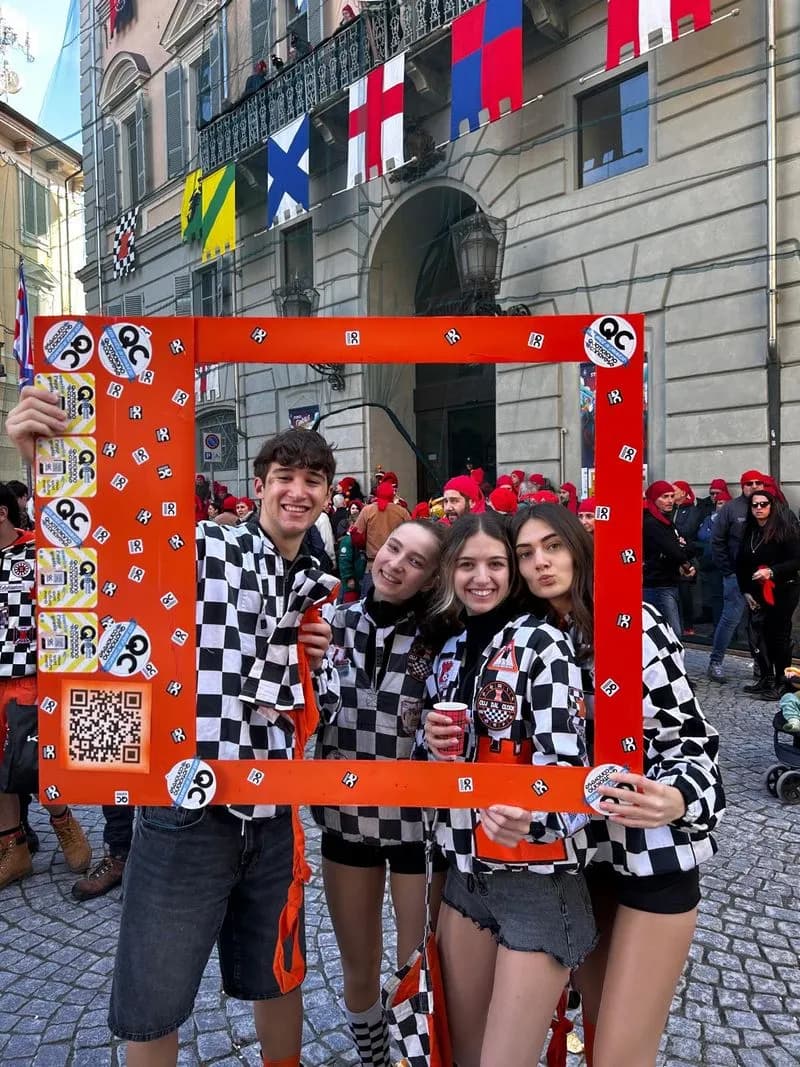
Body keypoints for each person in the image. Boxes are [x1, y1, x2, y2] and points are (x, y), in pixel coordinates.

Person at [6, 388, 340, 1067]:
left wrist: (314, 665)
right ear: (260, 485)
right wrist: (42, 459)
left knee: (278, 974)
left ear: (329, 494)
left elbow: (312, 706)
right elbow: (109, 540)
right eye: (286, 477)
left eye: (312, 480)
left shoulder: (317, 580)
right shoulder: (210, 546)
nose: (298, 491)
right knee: (151, 997)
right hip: (189, 806)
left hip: (274, 812)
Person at [513, 504, 724, 1067]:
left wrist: (678, 797)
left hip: (652, 857)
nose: (540, 563)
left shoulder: (633, 622)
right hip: (579, 859)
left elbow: (692, 738)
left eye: (552, 546)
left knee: (620, 1055)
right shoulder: (522, 639)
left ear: (578, 549)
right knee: (598, 1033)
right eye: (526, 554)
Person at [421, 512, 595, 1067]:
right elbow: (448, 769)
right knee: (462, 1054)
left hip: (536, 880)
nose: (481, 578)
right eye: (466, 564)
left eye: (496, 563)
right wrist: (431, 740)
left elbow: (573, 774)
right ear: (449, 571)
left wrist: (535, 819)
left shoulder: (541, 642)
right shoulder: (449, 654)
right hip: (465, 877)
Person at [313, 519, 447, 1066]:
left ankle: (415, 1057)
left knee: (417, 961)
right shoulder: (328, 624)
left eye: (416, 561)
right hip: (345, 819)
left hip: (416, 826)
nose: (396, 564)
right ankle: (372, 1057)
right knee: (358, 963)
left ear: (432, 578)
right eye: (393, 548)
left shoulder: (443, 640)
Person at [0, 483, 92, 889]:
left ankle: (63, 822)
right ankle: (13, 849)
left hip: (28, 676)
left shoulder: (35, 551)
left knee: (31, 761)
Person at [735, 489, 800, 701]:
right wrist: (745, 591)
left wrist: (772, 571)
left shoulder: (784, 530)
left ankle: (783, 682)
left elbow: (795, 561)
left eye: (764, 504)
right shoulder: (750, 530)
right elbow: (741, 564)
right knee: (758, 637)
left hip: (783, 589)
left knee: (778, 636)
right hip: (756, 592)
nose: (759, 508)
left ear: (772, 506)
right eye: (755, 505)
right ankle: (766, 677)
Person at [709, 470, 766, 681]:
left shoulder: (771, 505)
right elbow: (717, 541)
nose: (753, 486)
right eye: (749, 483)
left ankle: (761, 666)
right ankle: (716, 663)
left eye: (758, 482)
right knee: (730, 619)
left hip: (762, 575)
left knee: (760, 621)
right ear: (742, 486)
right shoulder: (732, 508)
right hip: (736, 575)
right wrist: (728, 570)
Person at [642, 481, 695, 639]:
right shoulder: (653, 523)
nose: (670, 500)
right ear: (654, 499)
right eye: (665, 497)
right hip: (658, 585)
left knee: (669, 632)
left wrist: (681, 550)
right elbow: (676, 552)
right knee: (672, 634)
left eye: (672, 496)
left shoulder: (665, 520)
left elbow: (686, 546)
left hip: (668, 582)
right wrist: (681, 552)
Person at [354, 482, 411, 593]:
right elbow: (411, 536)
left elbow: (357, 536)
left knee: (367, 603)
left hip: (372, 565)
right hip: (396, 565)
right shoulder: (402, 512)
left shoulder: (367, 510)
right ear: (392, 494)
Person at [672, 481, 702, 637]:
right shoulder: (671, 509)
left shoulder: (692, 510)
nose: (672, 494)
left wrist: (676, 535)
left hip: (687, 554)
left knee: (685, 591)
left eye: (674, 491)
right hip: (672, 553)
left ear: (683, 493)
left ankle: (688, 624)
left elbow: (688, 529)